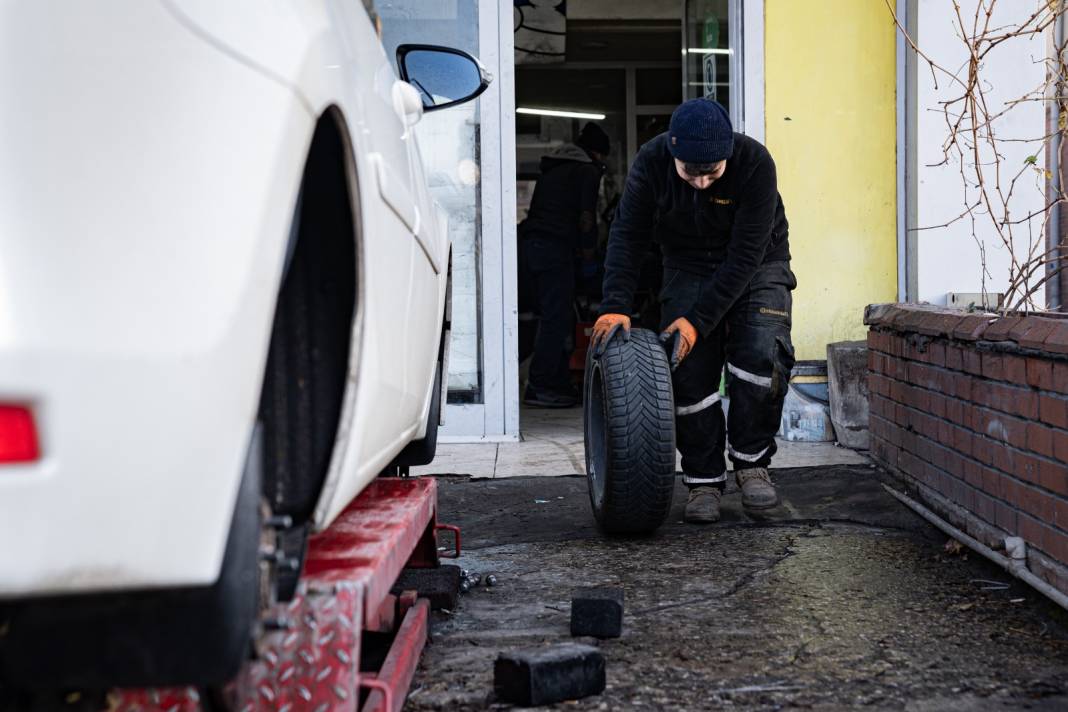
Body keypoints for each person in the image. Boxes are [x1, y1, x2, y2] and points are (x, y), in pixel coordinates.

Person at [590, 98, 795, 523]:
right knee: (686, 368)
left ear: (728, 156)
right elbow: (628, 235)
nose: (701, 183)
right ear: (674, 155)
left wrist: (698, 321)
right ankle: (703, 481)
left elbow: (744, 257)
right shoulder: (651, 162)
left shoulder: (755, 163)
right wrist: (615, 305)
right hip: (686, 263)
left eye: (712, 173)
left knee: (761, 354)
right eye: (690, 173)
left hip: (759, 264)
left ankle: (752, 464)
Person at [519, 122, 610, 408]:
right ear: (597, 153)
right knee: (556, 318)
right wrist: (589, 256)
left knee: (553, 316)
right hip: (554, 250)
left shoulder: (555, 167)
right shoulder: (586, 170)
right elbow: (585, 217)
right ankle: (541, 384)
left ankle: (555, 382)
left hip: (534, 247)